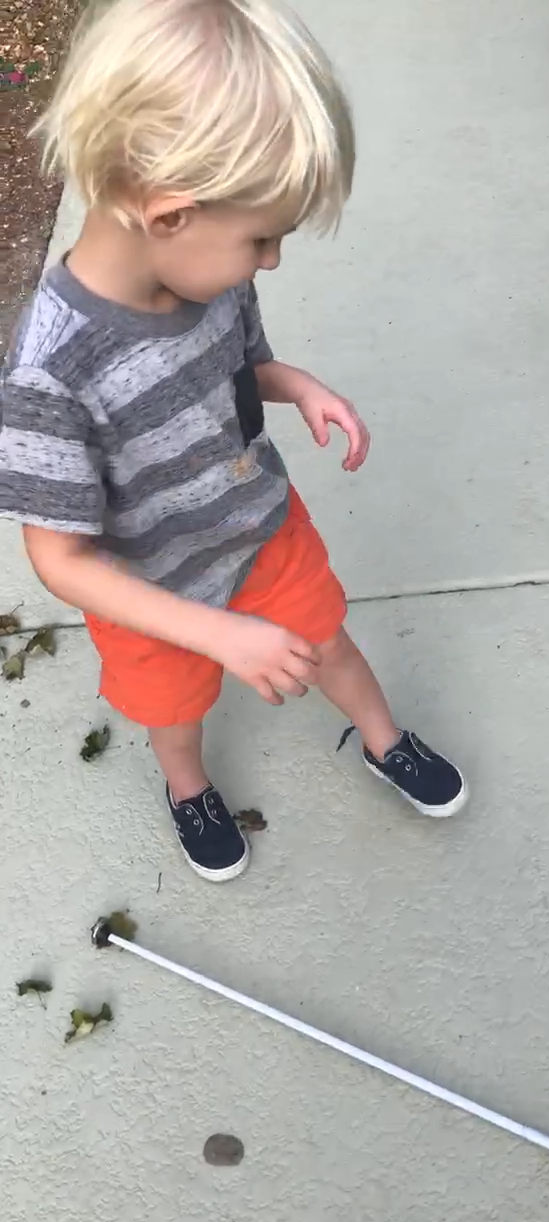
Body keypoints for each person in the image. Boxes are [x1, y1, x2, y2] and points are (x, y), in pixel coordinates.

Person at [0, 0, 466, 883]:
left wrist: (295, 385)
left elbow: (230, 377)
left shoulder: (208, 279)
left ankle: (383, 738)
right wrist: (216, 634)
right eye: (265, 237)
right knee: (173, 707)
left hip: (259, 529)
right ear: (168, 213)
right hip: (152, 591)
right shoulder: (48, 377)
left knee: (328, 637)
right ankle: (188, 791)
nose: (272, 262)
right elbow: (59, 561)